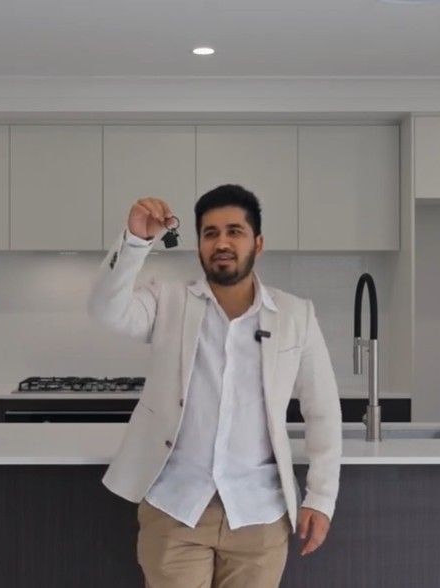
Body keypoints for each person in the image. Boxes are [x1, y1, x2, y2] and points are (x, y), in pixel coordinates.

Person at [87, 184, 342, 588]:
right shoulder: (168, 300)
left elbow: (323, 410)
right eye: (210, 233)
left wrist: (321, 498)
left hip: (259, 514)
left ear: (258, 243)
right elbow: (107, 310)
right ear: (200, 246)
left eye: (234, 231)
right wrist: (136, 240)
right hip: (176, 508)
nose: (222, 242)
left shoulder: (295, 315)